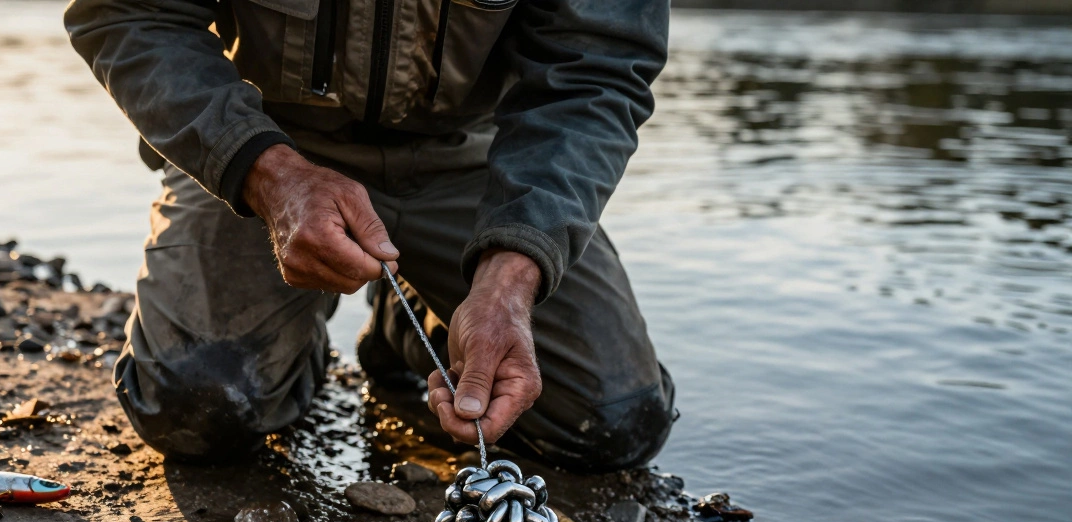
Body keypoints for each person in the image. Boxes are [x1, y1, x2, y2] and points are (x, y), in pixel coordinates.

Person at [65, 0, 676, 471]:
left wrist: (511, 277)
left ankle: (407, 320)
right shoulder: (262, 160)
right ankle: (293, 330)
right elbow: (126, 14)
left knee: (617, 423)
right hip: (262, 142)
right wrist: (268, 174)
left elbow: (596, 71)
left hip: (474, 162)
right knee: (197, 407)